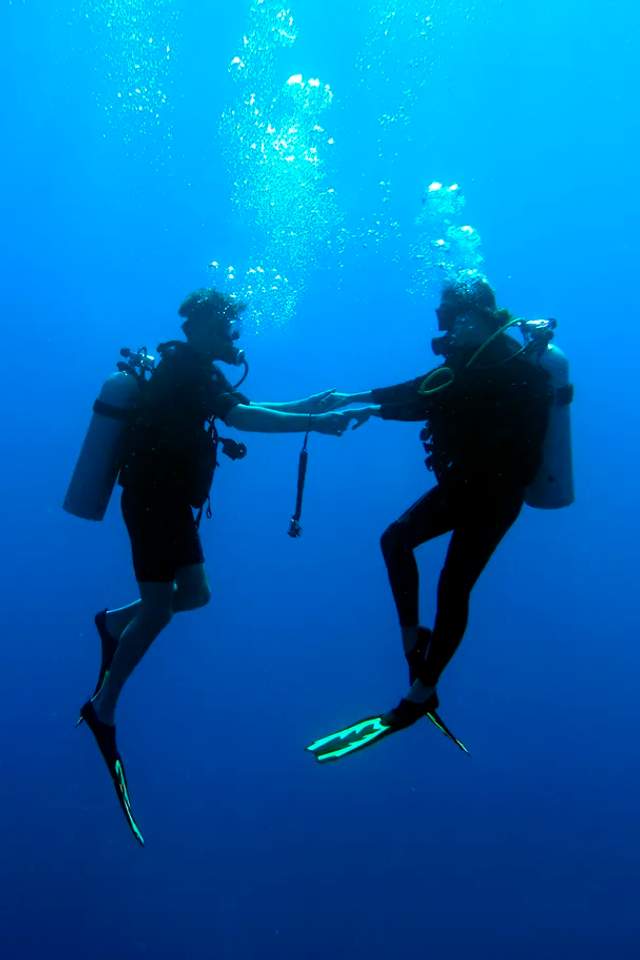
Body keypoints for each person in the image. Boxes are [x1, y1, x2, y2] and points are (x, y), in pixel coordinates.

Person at [79, 287, 358, 841]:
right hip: (153, 500)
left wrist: (313, 406)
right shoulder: (187, 369)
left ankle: (111, 624)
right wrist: (319, 420)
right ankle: (102, 708)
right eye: (228, 327)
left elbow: (246, 409)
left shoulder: (195, 369)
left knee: (196, 594)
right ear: (203, 328)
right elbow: (245, 419)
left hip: (167, 502)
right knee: (159, 609)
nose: (235, 337)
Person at [307, 271, 553, 762]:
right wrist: (356, 398)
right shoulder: (470, 359)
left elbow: (432, 396)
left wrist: (369, 407)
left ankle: (420, 694)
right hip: (463, 486)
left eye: (455, 318)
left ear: (482, 316)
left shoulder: (504, 362)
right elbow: (425, 387)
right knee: (396, 540)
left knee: (452, 586)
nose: (449, 329)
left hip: (496, 495)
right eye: (447, 319)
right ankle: (414, 644)